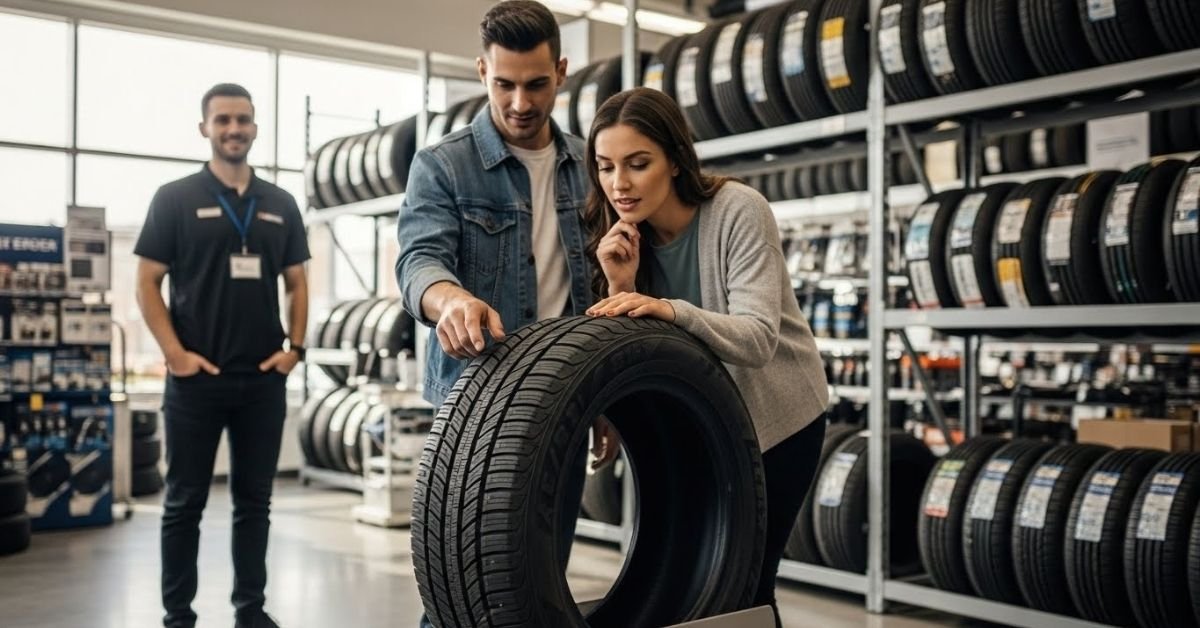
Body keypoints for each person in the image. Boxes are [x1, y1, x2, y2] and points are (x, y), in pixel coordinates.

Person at [583, 87, 829, 626]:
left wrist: (667, 308)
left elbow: (758, 338)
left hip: (778, 420)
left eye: (638, 164)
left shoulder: (739, 209)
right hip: (702, 426)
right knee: (686, 581)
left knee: (745, 583)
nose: (619, 184)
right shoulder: (622, 240)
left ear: (674, 158)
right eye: (605, 167)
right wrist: (620, 283)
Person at [395, 2, 608, 626]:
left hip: (562, 404)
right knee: (456, 594)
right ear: (482, 71)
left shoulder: (589, 167)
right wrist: (451, 300)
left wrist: (606, 396)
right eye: (504, 84)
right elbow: (419, 264)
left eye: (536, 84)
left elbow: (601, 288)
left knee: (542, 589)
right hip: (474, 414)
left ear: (562, 72)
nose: (520, 102)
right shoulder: (442, 165)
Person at [134, 83, 310, 628]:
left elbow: (298, 284)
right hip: (195, 382)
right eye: (224, 120)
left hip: (261, 380)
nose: (235, 129)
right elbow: (146, 283)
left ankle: (251, 611)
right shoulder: (174, 198)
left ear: (255, 128)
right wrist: (175, 355)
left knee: (254, 503)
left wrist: (295, 351)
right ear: (204, 127)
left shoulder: (280, 203)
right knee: (183, 504)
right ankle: (177, 617)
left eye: (244, 120)